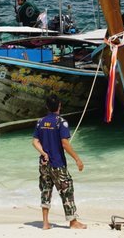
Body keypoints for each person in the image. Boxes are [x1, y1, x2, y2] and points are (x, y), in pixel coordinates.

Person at [32, 93, 86, 230]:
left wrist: (44, 153)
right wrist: (77, 159)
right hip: (57, 163)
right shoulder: (61, 122)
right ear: (59, 106)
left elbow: (35, 142)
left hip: (44, 163)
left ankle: (45, 223)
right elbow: (64, 143)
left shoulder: (40, 122)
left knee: (46, 190)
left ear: (47, 106)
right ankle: (73, 222)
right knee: (67, 190)